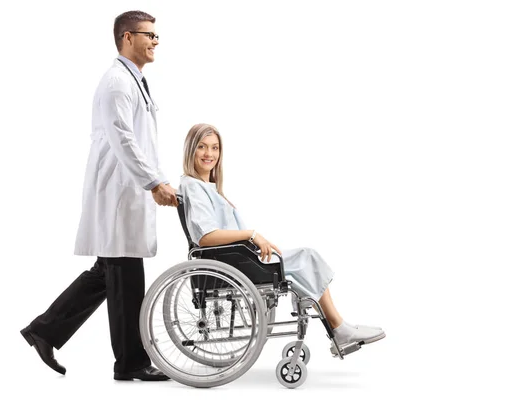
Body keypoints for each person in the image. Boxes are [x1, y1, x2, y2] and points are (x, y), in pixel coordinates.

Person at [20, 11, 177, 381]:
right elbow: (124, 140)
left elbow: (141, 141)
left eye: (157, 36)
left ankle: (44, 330)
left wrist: (158, 178)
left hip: (126, 192)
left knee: (108, 274)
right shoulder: (116, 84)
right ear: (126, 37)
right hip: (119, 194)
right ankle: (131, 363)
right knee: (124, 279)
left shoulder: (133, 80)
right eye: (148, 35)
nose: (155, 42)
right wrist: (154, 182)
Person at [178, 123, 386, 350]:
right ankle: (339, 328)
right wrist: (252, 235)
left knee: (307, 259)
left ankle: (338, 328)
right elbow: (205, 238)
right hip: (231, 262)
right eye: (202, 147)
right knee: (307, 257)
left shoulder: (207, 187)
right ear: (191, 150)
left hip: (238, 258)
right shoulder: (193, 186)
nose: (209, 154)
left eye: (215, 148)